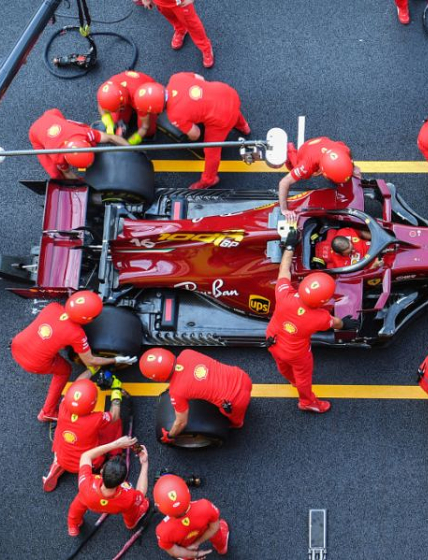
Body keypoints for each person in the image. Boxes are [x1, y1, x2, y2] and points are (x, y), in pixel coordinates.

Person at [266, 226, 355, 413]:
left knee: (283, 367)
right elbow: (336, 323)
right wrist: (347, 324)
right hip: (296, 354)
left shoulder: (284, 296)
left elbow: (284, 271)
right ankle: (307, 402)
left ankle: (291, 381)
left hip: (272, 340)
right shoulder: (318, 317)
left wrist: (289, 247)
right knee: (303, 379)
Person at [10, 291, 137, 422]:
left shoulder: (53, 307)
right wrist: (115, 359)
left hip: (18, 344)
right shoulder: (76, 334)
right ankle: (47, 412)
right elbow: (90, 361)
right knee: (64, 371)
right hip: (34, 362)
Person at [138, 347, 253, 443]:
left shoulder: (177, 393)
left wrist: (170, 436)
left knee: (236, 423)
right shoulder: (187, 353)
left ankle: (237, 425)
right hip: (242, 376)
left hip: (236, 400)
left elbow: (181, 422)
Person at [164, 72, 251, 190]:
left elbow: (195, 134)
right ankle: (243, 126)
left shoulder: (174, 115)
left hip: (221, 119)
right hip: (227, 93)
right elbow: (201, 78)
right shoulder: (175, 78)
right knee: (232, 110)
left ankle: (209, 180)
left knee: (211, 151)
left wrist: (188, 135)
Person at [43, 377, 124, 492]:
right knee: (115, 424)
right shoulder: (96, 418)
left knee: (62, 436)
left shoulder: (63, 406)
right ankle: (114, 456)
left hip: (62, 456)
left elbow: (76, 385)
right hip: (87, 462)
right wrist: (116, 392)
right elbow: (114, 415)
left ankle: (56, 466)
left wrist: (92, 368)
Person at [67, 436, 150, 537]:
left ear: (102, 471)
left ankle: (73, 524)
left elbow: (86, 456)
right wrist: (144, 463)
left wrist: (115, 444)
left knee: (77, 505)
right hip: (117, 507)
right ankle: (131, 523)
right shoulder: (129, 497)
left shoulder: (85, 484)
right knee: (131, 509)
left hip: (89, 500)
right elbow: (141, 493)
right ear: (122, 482)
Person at [28, 108, 129, 180]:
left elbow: (110, 137)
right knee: (55, 176)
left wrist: (132, 148)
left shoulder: (85, 133)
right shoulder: (57, 157)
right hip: (35, 132)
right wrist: (82, 185)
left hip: (52, 114)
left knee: (86, 128)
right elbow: (68, 173)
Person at [278, 137, 360, 221]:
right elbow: (284, 182)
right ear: (322, 172)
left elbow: (350, 161)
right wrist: (284, 210)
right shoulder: (307, 165)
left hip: (322, 143)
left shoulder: (344, 150)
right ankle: (290, 150)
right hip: (306, 150)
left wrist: (352, 169)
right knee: (299, 170)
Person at [154, 474, 230, 557]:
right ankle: (221, 548)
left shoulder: (162, 531)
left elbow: (175, 552)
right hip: (204, 530)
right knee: (217, 535)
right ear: (187, 491)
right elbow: (214, 528)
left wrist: (196, 554)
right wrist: (198, 542)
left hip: (186, 546)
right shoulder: (205, 506)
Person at [140, 0, 215, 68]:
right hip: (161, 3)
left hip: (181, 3)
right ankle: (181, 30)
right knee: (172, 18)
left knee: (192, 25)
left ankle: (205, 47)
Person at [96, 71, 161, 144]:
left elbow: (145, 126)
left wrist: (136, 138)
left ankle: (149, 136)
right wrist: (108, 122)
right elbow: (101, 105)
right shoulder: (109, 88)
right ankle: (122, 123)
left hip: (148, 97)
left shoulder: (141, 99)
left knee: (149, 130)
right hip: (128, 95)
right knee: (115, 120)